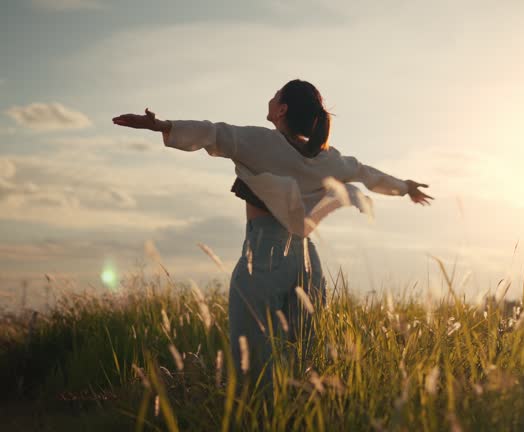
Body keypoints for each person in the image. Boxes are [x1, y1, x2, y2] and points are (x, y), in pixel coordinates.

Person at [112, 78, 434, 396]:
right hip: (308, 261)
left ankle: (261, 414)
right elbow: (365, 172)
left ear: (282, 110)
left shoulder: (262, 141)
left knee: (253, 366)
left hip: (265, 254)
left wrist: (161, 126)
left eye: (276, 94)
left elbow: (213, 132)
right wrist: (406, 187)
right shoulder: (326, 158)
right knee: (301, 361)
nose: (271, 97)